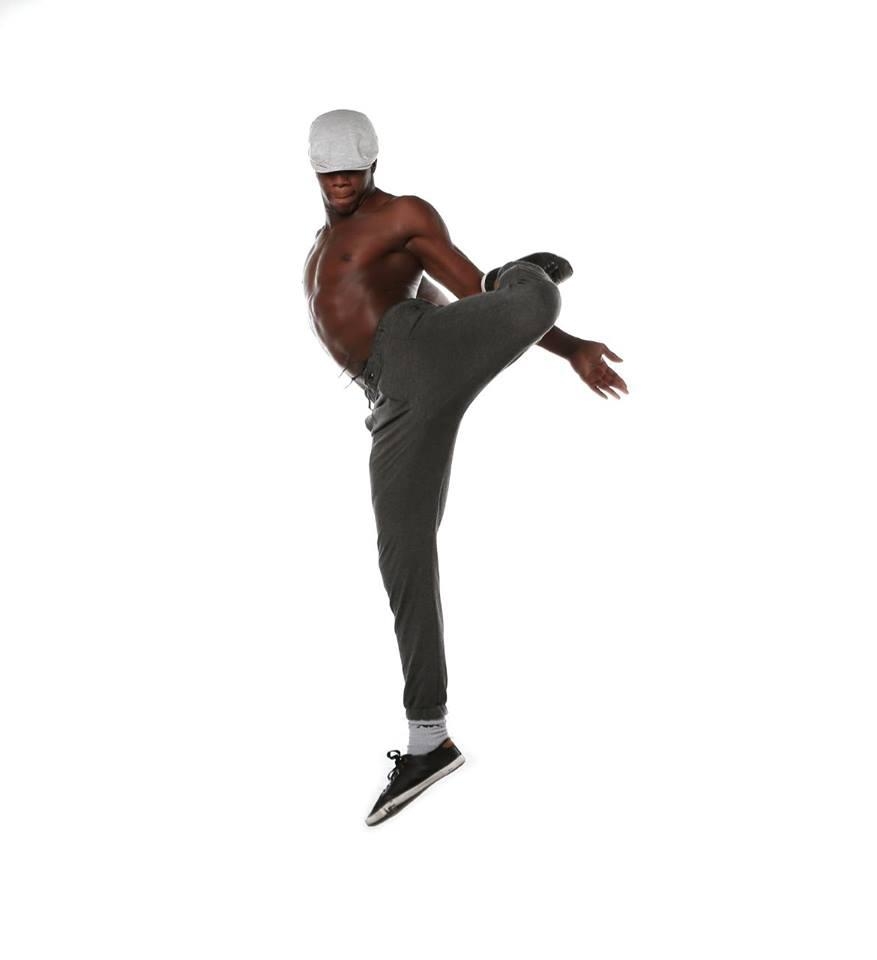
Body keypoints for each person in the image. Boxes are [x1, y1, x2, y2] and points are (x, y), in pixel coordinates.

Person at [303, 108, 629, 826]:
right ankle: (430, 739)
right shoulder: (323, 242)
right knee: (402, 554)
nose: (342, 183)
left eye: (352, 171)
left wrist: (569, 347)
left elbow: (472, 290)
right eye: (330, 173)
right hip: (392, 399)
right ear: (314, 171)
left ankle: (530, 277)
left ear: (373, 164)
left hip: (417, 345)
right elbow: (459, 313)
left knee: (532, 296)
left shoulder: (402, 214)